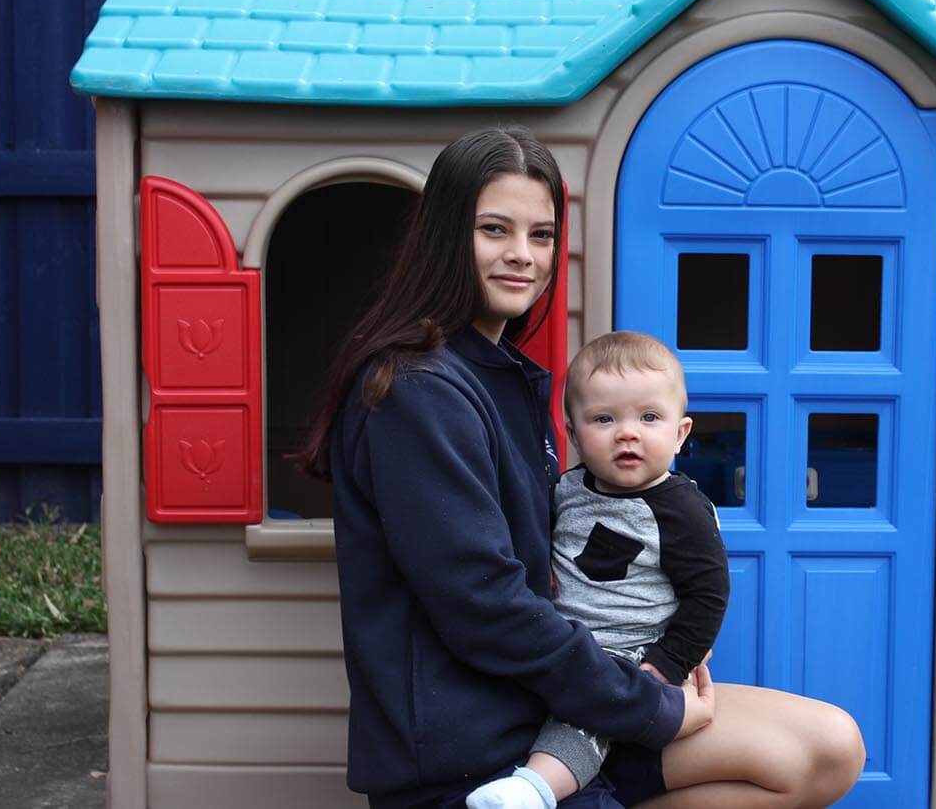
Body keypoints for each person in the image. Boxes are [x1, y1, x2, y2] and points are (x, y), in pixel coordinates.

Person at [299, 126, 865, 809]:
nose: (521, 256)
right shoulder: (414, 393)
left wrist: (653, 659)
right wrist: (649, 705)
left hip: (558, 703)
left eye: (540, 235)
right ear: (446, 234)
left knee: (828, 749)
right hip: (475, 750)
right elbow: (485, 606)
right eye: (494, 230)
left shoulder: (507, 379)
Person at [467, 331, 730, 809]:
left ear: (680, 432)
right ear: (572, 431)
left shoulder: (680, 510)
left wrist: (665, 665)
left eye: (649, 418)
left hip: (633, 646)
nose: (627, 432)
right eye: (604, 418)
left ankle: (534, 790)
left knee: (589, 716)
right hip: (564, 640)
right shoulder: (569, 488)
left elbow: (709, 596)